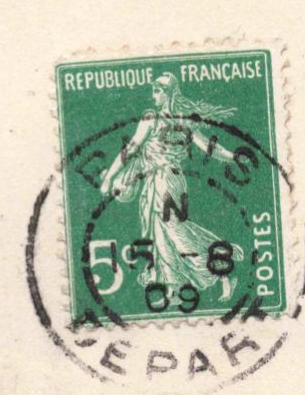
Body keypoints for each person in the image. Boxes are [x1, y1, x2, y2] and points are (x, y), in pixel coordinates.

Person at [97, 72, 245, 297]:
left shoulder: (160, 120)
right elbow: (207, 147)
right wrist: (233, 157)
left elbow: (132, 149)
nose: (153, 95)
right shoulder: (175, 120)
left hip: (166, 182)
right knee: (161, 231)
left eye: (157, 91)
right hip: (163, 181)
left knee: (174, 230)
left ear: (168, 94)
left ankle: (223, 265)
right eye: (153, 91)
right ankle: (173, 285)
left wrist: (233, 157)